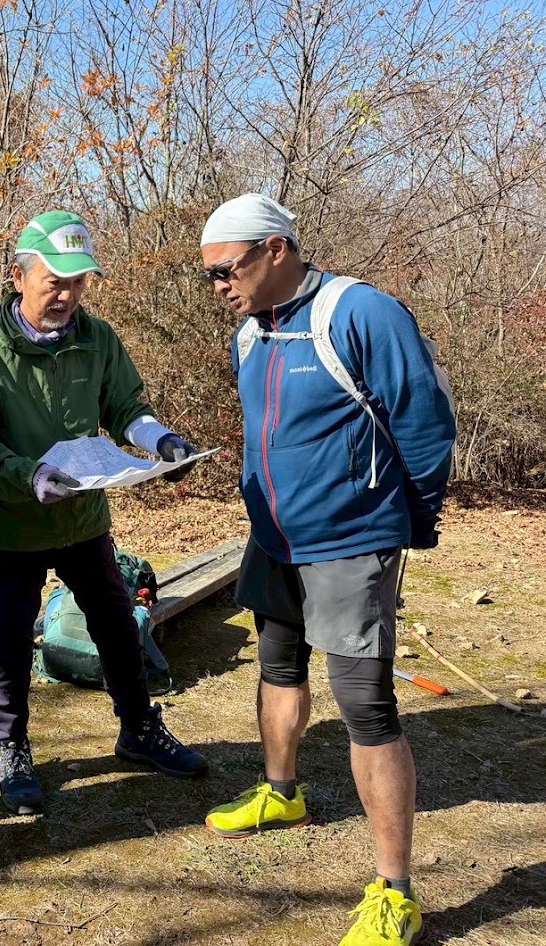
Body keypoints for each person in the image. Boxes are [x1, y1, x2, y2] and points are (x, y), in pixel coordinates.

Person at [199, 194, 455, 946]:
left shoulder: (362, 313)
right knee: (278, 666)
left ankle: (395, 891)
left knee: (366, 704)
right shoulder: (252, 331)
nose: (218, 284)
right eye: (208, 274)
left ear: (277, 248)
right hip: (273, 538)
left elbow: (425, 418)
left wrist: (412, 519)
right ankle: (282, 793)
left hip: (350, 540)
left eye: (227, 268)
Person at [0, 210, 209, 817]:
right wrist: (29, 476)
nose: (67, 295)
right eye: (54, 281)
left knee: (117, 625)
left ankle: (138, 728)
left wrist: (161, 440)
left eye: (78, 282)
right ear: (19, 277)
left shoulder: (97, 338)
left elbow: (126, 406)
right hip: (17, 521)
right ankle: (10, 746)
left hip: (84, 519)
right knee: (11, 635)